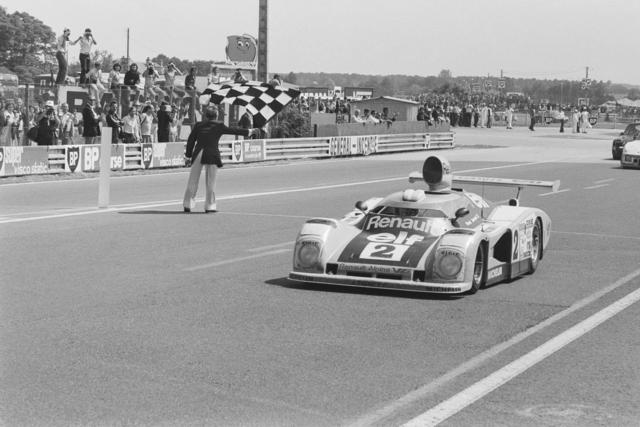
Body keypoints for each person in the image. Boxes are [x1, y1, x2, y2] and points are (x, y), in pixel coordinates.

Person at [183, 106, 259, 213]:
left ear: (206, 116)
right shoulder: (219, 125)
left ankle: (187, 204)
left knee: (193, 180)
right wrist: (250, 131)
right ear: (216, 115)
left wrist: (188, 155)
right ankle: (210, 206)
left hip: (198, 153)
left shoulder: (198, 125)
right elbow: (234, 130)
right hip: (212, 154)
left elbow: (191, 140)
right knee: (211, 182)